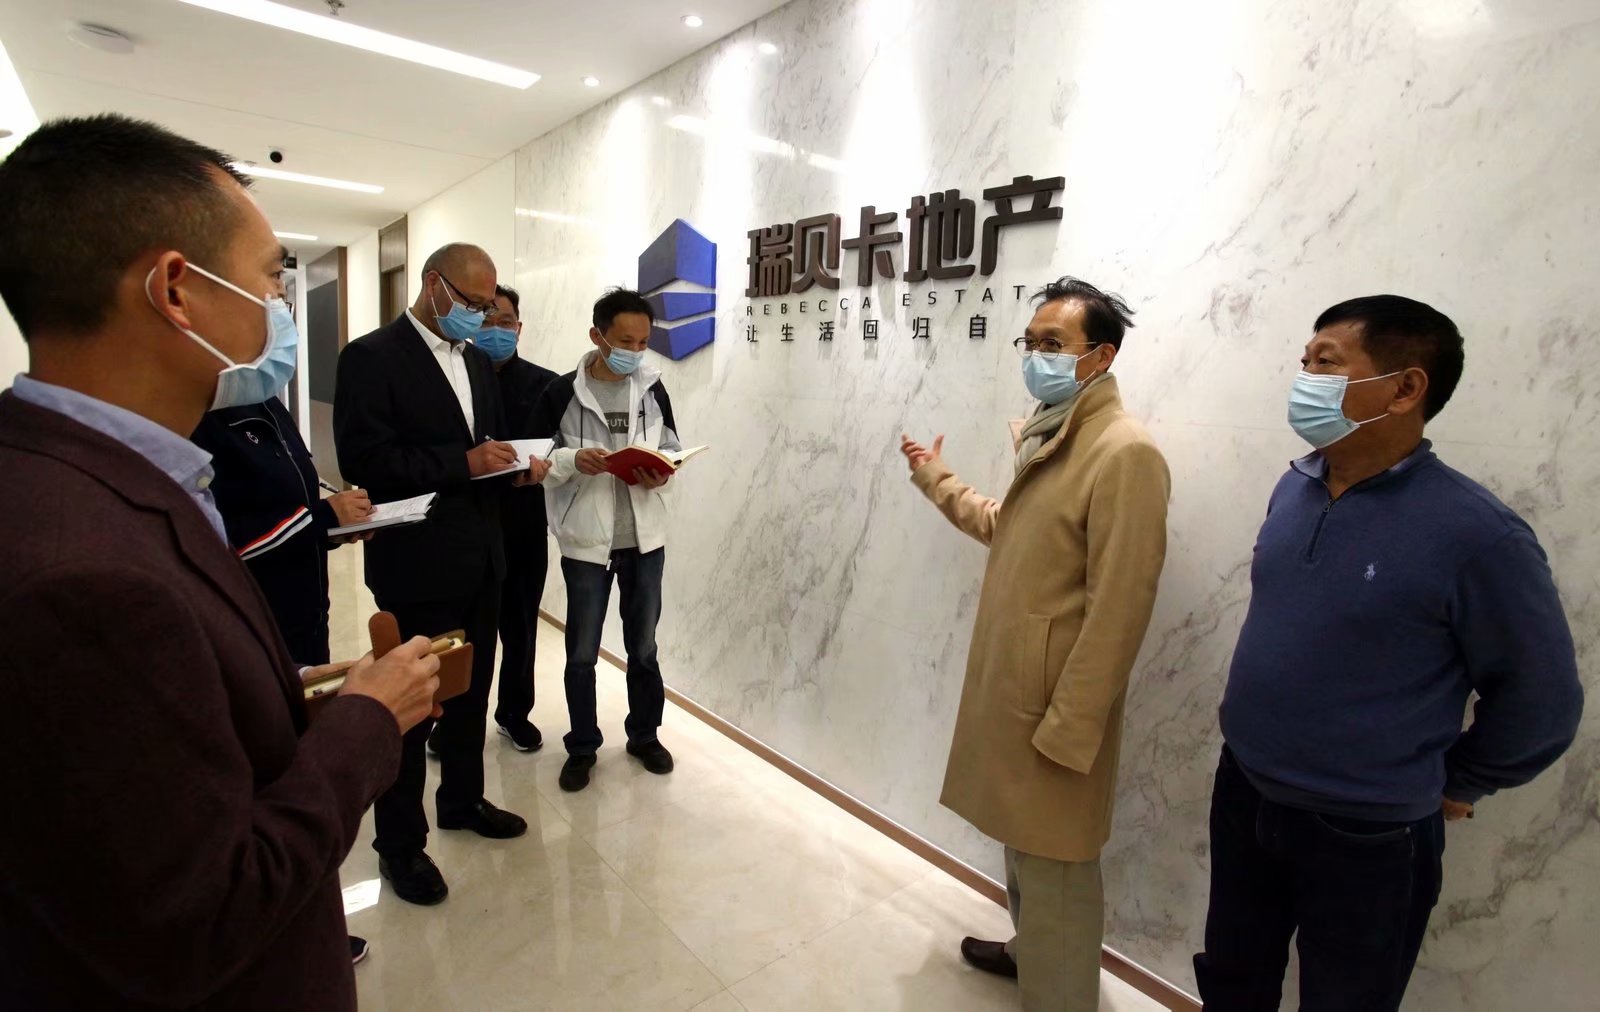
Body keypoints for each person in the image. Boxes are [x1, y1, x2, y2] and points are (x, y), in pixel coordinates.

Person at [0, 114, 440, 1011]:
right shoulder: (78, 575)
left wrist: (285, 692)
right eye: (271, 277)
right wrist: (367, 720)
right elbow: (199, 913)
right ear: (176, 289)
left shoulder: (91, 474)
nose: (281, 307)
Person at [1194, 295, 1583, 1011]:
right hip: (1246, 792)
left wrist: (1461, 781)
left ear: (1405, 388)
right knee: (1231, 978)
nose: (1305, 380)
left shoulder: (1478, 534)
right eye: (1304, 362)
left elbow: (1543, 700)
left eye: (1326, 364)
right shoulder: (1296, 485)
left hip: (1367, 832)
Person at [900, 277, 1170, 1011]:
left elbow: (1121, 606)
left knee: (1059, 865)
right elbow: (1009, 528)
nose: (1036, 356)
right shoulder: (1055, 433)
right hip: (1021, 688)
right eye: (1031, 342)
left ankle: (1062, 998)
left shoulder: (1123, 452)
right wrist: (936, 478)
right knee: (1026, 845)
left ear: (1100, 356)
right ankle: (1031, 955)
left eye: (1054, 343)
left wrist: (1072, 725)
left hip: (1057, 703)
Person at [334, 243, 548, 906]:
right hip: (417, 564)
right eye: (472, 303)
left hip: (482, 556)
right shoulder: (371, 357)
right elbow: (367, 460)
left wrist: (518, 469)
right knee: (410, 709)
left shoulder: (477, 360)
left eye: (488, 307)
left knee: (469, 694)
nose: (480, 316)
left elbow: (488, 451)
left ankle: (462, 799)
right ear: (434, 285)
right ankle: (400, 846)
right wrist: (464, 463)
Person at [191, 392, 381, 966]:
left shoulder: (270, 407)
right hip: (253, 625)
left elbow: (293, 507)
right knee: (268, 777)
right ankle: (277, 934)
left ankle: (309, 921)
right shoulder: (199, 424)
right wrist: (323, 518)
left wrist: (333, 526)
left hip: (305, 618)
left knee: (297, 761)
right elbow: (225, 543)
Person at [534, 288, 682, 793]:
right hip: (586, 542)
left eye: (643, 342)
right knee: (581, 652)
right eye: (625, 341)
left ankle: (644, 736)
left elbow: (671, 446)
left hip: (644, 540)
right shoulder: (561, 393)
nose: (635, 351)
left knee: (644, 647)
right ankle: (582, 746)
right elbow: (538, 462)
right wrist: (573, 460)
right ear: (597, 336)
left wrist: (663, 470)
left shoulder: (654, 388)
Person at [470, 284, 559, 752]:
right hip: (467, 524)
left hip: (523, 521)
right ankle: (456, 721)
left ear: (519, 328)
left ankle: (514, 714)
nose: (495, 330)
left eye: (504, 322)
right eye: (485, 321)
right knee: (469, 632)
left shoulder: (547, 384)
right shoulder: (455, 378)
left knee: (521, 627)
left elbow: (561, 450)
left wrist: (547, 468)